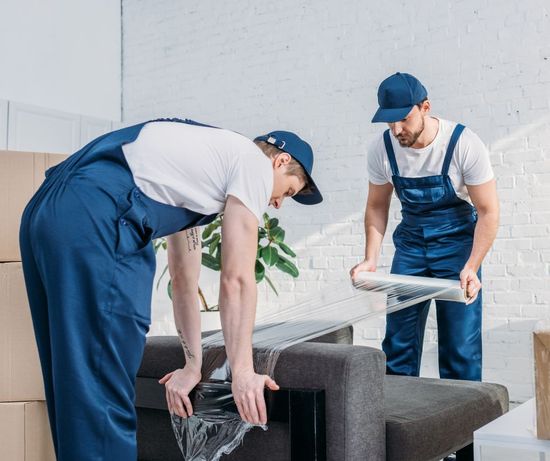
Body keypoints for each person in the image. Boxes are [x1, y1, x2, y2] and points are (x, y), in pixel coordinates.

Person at [19, 118, 322, 460]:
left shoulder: (201, 166)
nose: (279, 203)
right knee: (103, 387)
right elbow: (236, 279)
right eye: (289, 190)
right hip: (98, 214)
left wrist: (193, 365)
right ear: (279, 161)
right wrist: (243, 373)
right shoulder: (253, 162)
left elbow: (183, 281)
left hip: (48, 211)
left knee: (76, 380)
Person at [350, 73, 499, 382]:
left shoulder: (463, 143)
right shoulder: (382, 149)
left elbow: (488, 212)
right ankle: (397, 420)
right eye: (388, 122)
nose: (396, 130)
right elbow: (377, 205)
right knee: (398, 343)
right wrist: (370, 260)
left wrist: (472, 266)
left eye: (403, 119)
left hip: (458, 248)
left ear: (425, 107)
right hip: (411, 247)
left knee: (460, 347)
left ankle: (463, 426)